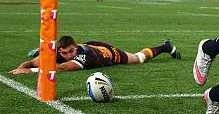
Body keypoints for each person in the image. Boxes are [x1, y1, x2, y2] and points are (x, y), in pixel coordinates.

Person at [10, 36, 179, 74]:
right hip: (93, 45)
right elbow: (32, 62)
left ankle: (164, 47)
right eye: (64, 53)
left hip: (108, 53)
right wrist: (21, 68)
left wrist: (30, 72)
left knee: (138, 58)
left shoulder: (84, 57)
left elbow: (62, 68)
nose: (68, 55)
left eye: (71, 51)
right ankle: (166, 47)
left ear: (75, 48)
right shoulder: (60, 52)